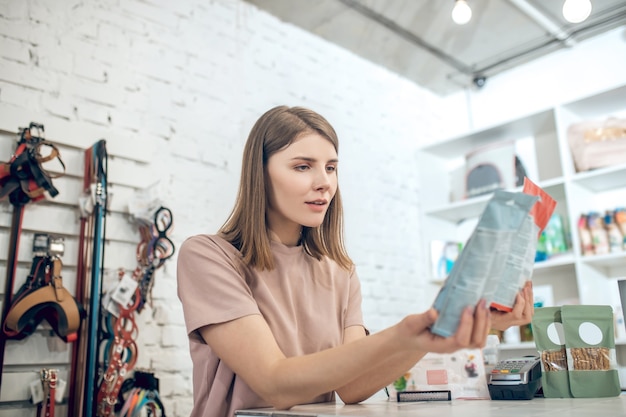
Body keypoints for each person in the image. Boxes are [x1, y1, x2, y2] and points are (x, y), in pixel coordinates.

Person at [177, 105, 534, 417]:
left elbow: (352, 387)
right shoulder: (209, 256)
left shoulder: (341, 272)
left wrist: (440, 334)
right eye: (303, 167)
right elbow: (274, 383)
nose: (324, 183)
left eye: (331, 168)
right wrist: (401, 333)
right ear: (260, 173)